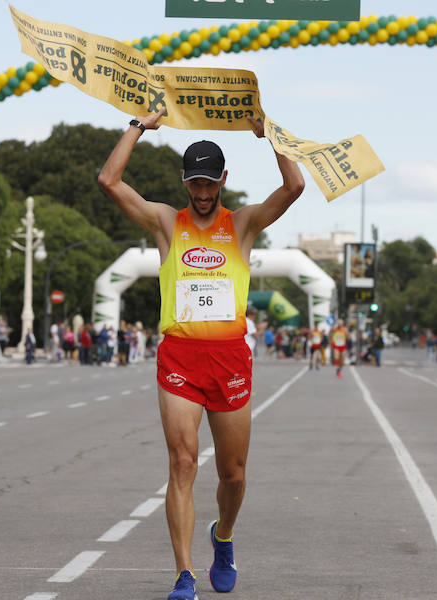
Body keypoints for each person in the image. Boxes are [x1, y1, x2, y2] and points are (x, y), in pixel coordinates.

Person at [98, 107, 304, 600]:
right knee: (183, 463)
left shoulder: (244, 224)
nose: (204, 193)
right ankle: (184, 574)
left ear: (224, 180)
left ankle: (224, 537)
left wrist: (270, 133)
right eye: (196, 184)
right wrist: (138, 127)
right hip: (180, 358)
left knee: (233, 475)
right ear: (185, 181)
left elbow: (294, 187)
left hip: (230, 359)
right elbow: (109, 180)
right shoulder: (167, 222)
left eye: (211, 184)